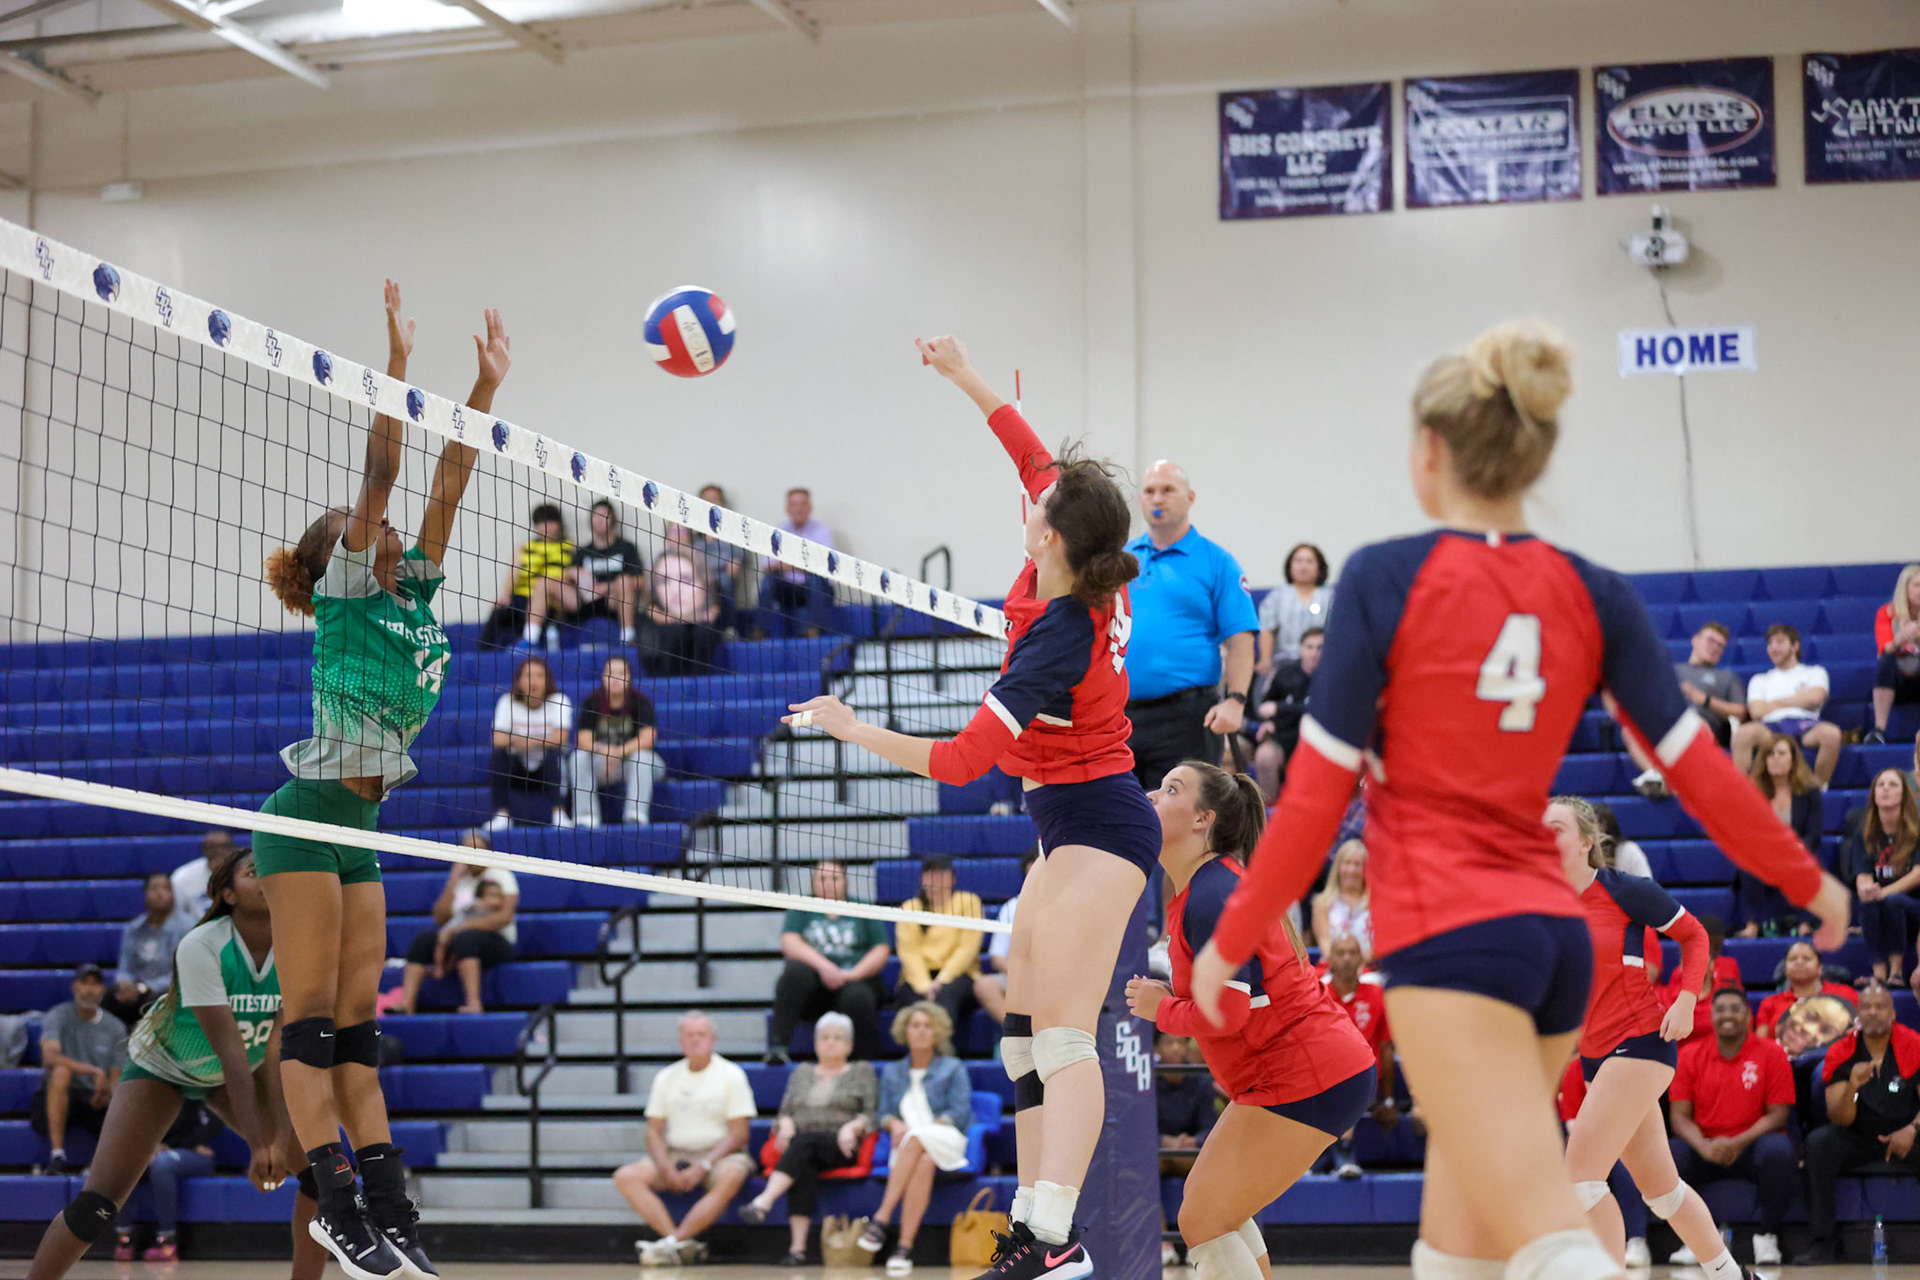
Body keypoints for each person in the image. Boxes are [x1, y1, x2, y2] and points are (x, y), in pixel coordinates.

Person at [1190, 320, 1847, 1280]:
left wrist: (1232, 933)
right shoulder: (1593, 589)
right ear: (1533, 455)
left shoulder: (1383, 574)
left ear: (1427, 455)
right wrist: (1807, 880)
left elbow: (1315, 797)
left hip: (1449, 933)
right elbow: (1702, 766)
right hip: (1552, 944)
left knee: (1547, 1229)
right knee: (1454, 1243)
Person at [784, 334, 1154, 1280]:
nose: (1030, 500)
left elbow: (956, 766)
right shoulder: (1076, 551)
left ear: (1052, 539)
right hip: (1062, 824)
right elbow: (1029, 450)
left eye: (1038, 509)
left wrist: (851, 726)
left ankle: (1060, 1237)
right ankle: (1036, 1233)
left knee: (1066, 1037)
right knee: (1021, 1041)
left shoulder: (1058, 641)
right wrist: (960, 374)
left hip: (1101, 822)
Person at [255, 282, 509, 1279]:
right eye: (367, 527)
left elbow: (449, 482)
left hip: (359, 827)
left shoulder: (416, 590)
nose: (391, 531)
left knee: (357, 1035)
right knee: (311, 1022)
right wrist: (397, 365)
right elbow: (389, 469)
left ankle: (388, 1208)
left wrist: (484, 385)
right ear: (344, 555)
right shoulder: (354, 589)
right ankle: (336, 1205)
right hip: (303, 816)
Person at [1125, 761, 1377, 1280]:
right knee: (1211, 1212)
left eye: (1171, 789)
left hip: (1307, 1074)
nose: (1152, 795)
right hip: (1289, 1073)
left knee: (1203, 1218)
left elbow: (1231, 1010)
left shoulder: (1213, 893)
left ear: (1203, 820)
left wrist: (1161, 1010)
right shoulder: (1201, 890)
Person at [27, 852, 326, 1280]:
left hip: (237, 1070)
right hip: (162, 1067)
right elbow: (230, 1050)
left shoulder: (294, 946)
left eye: (272, 870)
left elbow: (277, 1052)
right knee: (99, 1202)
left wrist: (279, 1140)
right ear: (227, 892)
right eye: (252, 872)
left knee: (320, 1179)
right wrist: (259, 1144)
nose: (267, 878)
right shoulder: (201, 944)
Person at [1553, 796, 1760, 1280]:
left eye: (1556, 827)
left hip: (1641, 1040)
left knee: (1581, 1179)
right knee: (1663, 1193)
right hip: (1594, 1056)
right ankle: (1734, 1276)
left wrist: (1687, 999)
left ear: (1585, 842)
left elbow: (1695, 937)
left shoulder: (1623, 889)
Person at [1120, 460, 1259, 790]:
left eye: (1168, 490)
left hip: (1187, 718)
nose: (1158, 499)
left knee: (1181, 822)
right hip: (1119, 719)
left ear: (1190, 497)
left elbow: (1240, 639)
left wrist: (1236, 700)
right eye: (1150, 491)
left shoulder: (1217, 561)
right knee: (1120, 825)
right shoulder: (1121, 560)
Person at [612, 1011, 757, 1268]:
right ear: (680, 1040)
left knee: (732, 1175)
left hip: (721, 1153)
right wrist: (665, 1167)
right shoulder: (666, 1077)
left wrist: (704, 1165)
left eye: (701, 1034)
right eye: (689, 1035)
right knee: (626, 1176)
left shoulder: (731, 1074)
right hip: (676, 1152)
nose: (695, 1040)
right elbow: (653, 1132)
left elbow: (739, 1134)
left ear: (713, 1039)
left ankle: (672, 1243)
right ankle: (676, 1243)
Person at [1665, 988, 1796, 1268]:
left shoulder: (1771, 1053)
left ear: (1748, 1015)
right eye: (1720, 1009)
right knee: (1671, 1153)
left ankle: (1767, 1236)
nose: (1727, 1016)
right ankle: (1691, 1240)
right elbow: (1678, 1117)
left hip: (1751, 1146)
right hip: (1705, 1146)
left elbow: (1778, 1115)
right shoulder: (1689, 1055)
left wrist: (1738, 1142)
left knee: (1780, 1150)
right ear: (1711, 1016)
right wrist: (1704, 1146)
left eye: (1735, 1009)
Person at [737, 1012, 879, 1266]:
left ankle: (764, 1201)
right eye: (824, 1037)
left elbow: (870, 1113)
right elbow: (784, 1112)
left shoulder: (861, 1071)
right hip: (802, 1147)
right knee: (804, 1162)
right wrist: (786, 1122)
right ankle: (797, 1250)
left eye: (838, 1038)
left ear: (849, 1045)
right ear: (815, 1043)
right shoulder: (801, 1072)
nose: (831, 1042)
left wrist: (853, 1126)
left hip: (841, 1145)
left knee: (804, 1144)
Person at [1798, 981, 1920, 1263]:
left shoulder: (1913, 1044)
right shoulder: (1841, 1051)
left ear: (1892, 1013)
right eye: (1867, 1007)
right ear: (1858, 1015)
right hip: (1857, 1135)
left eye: (1880, 1006)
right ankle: (1823, 1243)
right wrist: (1852, 1086)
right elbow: (1839, 1118)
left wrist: (1911, 1129)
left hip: (1906, 1132)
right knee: (1818, 1144)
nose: (1873, 1012)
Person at [858, 1002, 976, 1276]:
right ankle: (903, 1248)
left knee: (918, 1140)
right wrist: (892, 1122)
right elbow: (883, 1113)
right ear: (905, 1031)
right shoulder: (892, 1072)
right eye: (915, 1025)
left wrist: (933, 1125)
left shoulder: (952, 1067)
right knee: (922, 1160)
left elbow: (960, 1111)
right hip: (911, 1148)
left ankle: (881, 1218)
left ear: (937, 1031)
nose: (922, 1031)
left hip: (945, 1137)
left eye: (927, 1025)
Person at [768, 860, 890, 1064]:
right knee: (794, 973)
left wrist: (851, 975)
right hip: (816, 990)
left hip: (854, 982)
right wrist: (826, 968)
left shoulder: (862, 907)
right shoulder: (802, 907)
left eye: (834, 878)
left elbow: (881, 949)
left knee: (857, 995)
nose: (828, 883)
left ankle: (866, 1062)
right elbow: (789, 942)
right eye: (822, 878)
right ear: (813, 882)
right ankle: (778, 1046)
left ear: (845, 881)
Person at [397, 839, 519, 1016]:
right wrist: (453, 880)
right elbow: (440, 917)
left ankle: (473, 1004)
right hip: (458, 938)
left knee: (466, 937)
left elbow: (504, 917)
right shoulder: (461, 878)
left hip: (497, 942)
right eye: (466, 849)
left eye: (476, 848)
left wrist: (458, 928)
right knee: (424, 939)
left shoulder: (501, 874)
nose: (471, 853)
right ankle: (406, 1005)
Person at [32, 965, 127, 1177]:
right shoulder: (58, 1015)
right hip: (55, 1096)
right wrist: (92, 1070)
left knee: (123, 1101)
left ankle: (98, 1168)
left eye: (95, 984)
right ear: (75, 986)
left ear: (103, 990)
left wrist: (106, 1094)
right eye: (85, 983)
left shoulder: (115, 1027)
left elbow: (115, 1077)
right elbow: (50, 1058)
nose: (90, 990)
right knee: (61, 1071)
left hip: (91, 1099)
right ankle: (57, 1153)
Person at [1631, 623, 1746, 797]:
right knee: (1630, 728)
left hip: (1702, 727)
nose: (1714, 647)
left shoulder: (1726, 677)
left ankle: (1672, 780)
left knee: (1696, 722)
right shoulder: (1672, 671)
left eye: (1720, 645)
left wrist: (1706, 700)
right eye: (1711, 640)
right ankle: (1656, 775)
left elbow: (1740, 711)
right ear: (1696, 640)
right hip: (1667, 723)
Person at [1320, 932, 1397, 1179]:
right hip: (1324, 1080)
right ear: (1329, 959)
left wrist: (1387, 1101)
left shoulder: (1376, 995)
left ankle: (1342, 1155)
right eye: (1340, 953)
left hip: (1367, 1082)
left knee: (1349, 1083)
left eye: (1352, 952)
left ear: (1362, 959)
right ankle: (1340, 1154)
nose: (1346, 959)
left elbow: (1386, 1048)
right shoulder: (1318, 995)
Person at [1732, 732, 1824, 936]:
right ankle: (1751, 925)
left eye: (1781, 753)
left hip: (1796, 854)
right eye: (1770, 754)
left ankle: (1806, 925)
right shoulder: (1753, 791)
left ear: (1793, 759)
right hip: (1764, 857)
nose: (1775, 758)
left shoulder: (1809, 792)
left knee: (1807, 862)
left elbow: (1813, 834)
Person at [893, 858, 1000, 1029]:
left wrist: (941, 981)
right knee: (915, 1007)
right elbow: (909, 951)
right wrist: (925, 985)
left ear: (953, 879)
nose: (936, 878)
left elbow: (968, 948)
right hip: (918, 977)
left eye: (942, 873)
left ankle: (941, 1053)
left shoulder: (968, 902)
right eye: (930, 874)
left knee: (946, 999)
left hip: (960, 975)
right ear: (922, 879)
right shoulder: (910, 906)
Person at [112, 1100, 223, 1262]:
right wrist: (148, 1146)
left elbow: (214, 1123)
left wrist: (178, 1145)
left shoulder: (196, 1089)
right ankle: (124, 1239)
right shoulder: (147, 1091)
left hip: (195, 1153)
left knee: (162, 1164)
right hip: (156, 1149)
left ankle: (167, 1240)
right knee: (124, 1162)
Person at [1732, 624, 1842, 788]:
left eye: (1780, 641)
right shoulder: (1760, 680)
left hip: (1806, 724)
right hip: (1770, 727)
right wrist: (1798, 699)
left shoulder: (1814, 672)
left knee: (1832, 734)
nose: (1773, 647)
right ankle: (1741, 791)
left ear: (1795, 646)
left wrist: (1774, 703)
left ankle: (1818, 789)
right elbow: (1756, 711)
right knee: (1742, 734)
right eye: (1770, 643)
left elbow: (1815, 698)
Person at [1841, 767, 1920, 984]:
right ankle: (1878, 972)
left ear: (1904, 794)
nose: (1885, 789)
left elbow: (1917, 874)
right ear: (1874, 795)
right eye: (1880, 785)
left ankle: (1896, 971)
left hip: (1914, 907)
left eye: (1893, 785)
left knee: (1891, 900)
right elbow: (1863, 875)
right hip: (1883, 908)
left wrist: (1882, 892)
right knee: (1867, 901)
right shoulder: (1864, 834)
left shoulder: (1916, 831)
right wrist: (1866, 890)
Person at [570, 654, 664, 827]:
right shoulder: (592, 702)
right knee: (578, 758)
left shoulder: (641, 702)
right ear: (603, 677)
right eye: (610, 673)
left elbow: (648, 738)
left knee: (642, 758)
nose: (615, 678)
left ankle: (635, 816)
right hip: (603, 764)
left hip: (636, 766)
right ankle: (586, 817)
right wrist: (604, 751)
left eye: (621, 673)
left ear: (629, 677)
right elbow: (582, 739)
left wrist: (617, 752)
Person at [487, 655, 574, 830]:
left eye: (539, 675)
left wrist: (530, 741)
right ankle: (502, 816)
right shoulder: (507, 702)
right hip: (518, 768)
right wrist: (521, 742)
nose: (533, 681)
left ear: (547, 680)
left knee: (555, 754)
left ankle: (559, 813)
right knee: (498, 757)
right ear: (518, 681)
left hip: (548, 768)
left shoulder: (559, 700)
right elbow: (497, 739)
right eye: (528, 675)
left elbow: (561, 737)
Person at [480, 502, 573, 652]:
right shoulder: (524, 548)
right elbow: (513, 573)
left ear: (559, 524)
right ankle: (483, 654)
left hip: (549, 602)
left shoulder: (569, 548)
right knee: (499, 611)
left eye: (550, 522)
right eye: (541, 523)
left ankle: (530, 644)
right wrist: (505, 595)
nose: (546, 527)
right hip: (521, 597)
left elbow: (570, 578)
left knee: (544, 614)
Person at [106, 874, 189, 1027]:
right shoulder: (134, 928)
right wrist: (124, 983)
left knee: (156, 1002)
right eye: (154, 888)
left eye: (166, 888)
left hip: (168, 991)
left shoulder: (187, 927)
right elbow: (125, 966)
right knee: (109, 998)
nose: (160, 893)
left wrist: (144, 988)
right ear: (145, 894)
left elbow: (182, 974)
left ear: (173, 894)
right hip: (136, 990)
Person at [1250, 627, 1321, 801]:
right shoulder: (1285, 673)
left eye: (1320, 648)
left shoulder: (1334, 676)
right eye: (1309, 647)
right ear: (1300, 649)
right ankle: (1268, 814)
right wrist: (1271, 723)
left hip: (1319, 738)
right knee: (1265, 756)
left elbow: (1319, 710)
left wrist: (1281, 709)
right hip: (1285, 734)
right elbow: (1264, 708)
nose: (1314, 653)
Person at [563, 499, 645, 645]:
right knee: (546, 582)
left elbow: (640, 580)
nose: (600, 520)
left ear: (612, 519)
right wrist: (572, 573)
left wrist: (608, 587)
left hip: (613, 600)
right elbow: (564, 580)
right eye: (596, 516)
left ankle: (628, 637)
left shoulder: (626, 548)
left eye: (604, 515)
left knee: (624, 580)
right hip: (586, 602)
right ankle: (530, 638)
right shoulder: (583, 551)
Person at [646, 525, 724, 677]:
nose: (678, 536)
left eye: (682, 531)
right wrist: (667, 618)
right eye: (673, 532)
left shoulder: (702, 561)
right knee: (673, 633)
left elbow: (714, 605)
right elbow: (649, 605)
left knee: (703, 633)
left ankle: (698, 680)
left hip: (699, 622)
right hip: (668, 624)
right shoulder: (658, 562)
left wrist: (699, 616)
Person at [759, 486, 834, 634]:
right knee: (768, 580)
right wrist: (798, 565)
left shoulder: (822, 531)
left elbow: (823, 565)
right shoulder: (778, 531)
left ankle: (813, 631)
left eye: (803, 504)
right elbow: (765, 565)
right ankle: (761, 631)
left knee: (817, 580)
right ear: (787, 508)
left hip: (813, 587)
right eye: (794, 504)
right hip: (787, 588)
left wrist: (790, 564)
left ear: (810, 507)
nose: (798, 509)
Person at [1752, 939, 1857, 1039]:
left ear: (1819, 969)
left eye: (1807, 958)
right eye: (1793, 959)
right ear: (1786, 971)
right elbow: (1761, 1046)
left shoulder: (1845, 994)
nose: (1799, 962)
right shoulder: (1770, 1003)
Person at [1256, 542, 1334, 672]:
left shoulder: (1330, 596)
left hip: (1321, 661)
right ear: (1290, 566)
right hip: (1284, 661)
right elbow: (1267, 630)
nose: (1303, 567)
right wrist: (1265, 659)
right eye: (1298, 561)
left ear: (1319, 567)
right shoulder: (1277, 596)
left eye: (1309, 562)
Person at [1867, 564, 1920, 743]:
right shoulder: (1887, 613)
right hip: (1897, 682)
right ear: (1905, 588)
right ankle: (1879, 730)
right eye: (1917, 586)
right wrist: (1901, 639)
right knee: (1886, 661)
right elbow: (1884, 649)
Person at [1152, 1032, 1216, 1174]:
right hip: (1158, 1151)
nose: (1176, 1048)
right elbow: (1140, 1128)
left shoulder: (1202, 1081)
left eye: (1181, 1042)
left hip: (1191, 1152)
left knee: (1205, 1161)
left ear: (1188, 1048)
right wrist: (1164, 1141)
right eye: (1168, 1043)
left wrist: (1193, 1141)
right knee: (1148, 1161)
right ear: (1156, 1048)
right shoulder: (1146, 1081)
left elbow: (1210, 1126)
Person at [984, 848, 1039, 999]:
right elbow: (997, 957)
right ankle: (1012, 1024)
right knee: (985, 986)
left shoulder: (1067, 905)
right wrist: (1023, 976)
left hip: (1058, 978)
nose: (1038, 868)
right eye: (1033, 862)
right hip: (1020, 976)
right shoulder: (1012, 907)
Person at [1311, 841, 1373, 961]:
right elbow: (1325, 944)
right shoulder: (1321, 903)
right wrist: (1345, 965)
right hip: (1334, 968)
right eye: (1347, 863)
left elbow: (1378, 946)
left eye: (1357, 864)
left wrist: (1357, 965)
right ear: (1338, 867)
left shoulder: (1375, 903)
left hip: (1369, 968)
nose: (1351, 870)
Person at [170, 831, 237, 926]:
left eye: (224, 846)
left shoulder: (245, 875)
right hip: (195, 931)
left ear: (233, 849)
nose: (218, 851)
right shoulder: (183, 876)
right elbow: (176, 916)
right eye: (212, 847)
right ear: (203, 850)